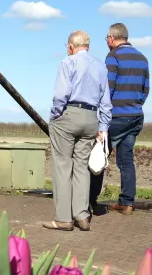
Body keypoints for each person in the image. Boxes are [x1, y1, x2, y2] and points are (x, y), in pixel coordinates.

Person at [43, 31, 112, 232]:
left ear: (71, 46)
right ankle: (82, 215)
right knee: (82, 166)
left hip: (69, 114)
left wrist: (55, 115)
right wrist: (103, 127)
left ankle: (63, 218)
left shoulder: (68, 62)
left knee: (63, 165)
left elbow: (61, 93)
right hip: (92, 118)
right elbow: (106, 102)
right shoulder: (100, 66)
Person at [89, 22, 150, 216]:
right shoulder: (142, 58)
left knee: (99, 156)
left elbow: (108, 88)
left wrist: (103, 114)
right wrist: (135, 104)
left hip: (116, 117)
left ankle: (91, 201)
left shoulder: (113, 57)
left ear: (112, 38)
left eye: (107, 38)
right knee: (126, 160)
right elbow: (145, 89)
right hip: (135, 116)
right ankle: (126, 203)